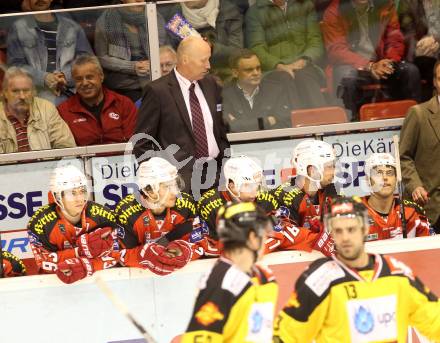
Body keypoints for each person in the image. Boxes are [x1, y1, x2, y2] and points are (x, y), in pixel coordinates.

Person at [274, 196, 440, 342]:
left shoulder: (397, 275)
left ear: (365, 229)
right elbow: (285, 336)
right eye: (338, 230)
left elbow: (434, 321)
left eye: (351, 229)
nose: (345, 237)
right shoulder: (319, 280)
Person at [134, 36, 229, 198]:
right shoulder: (158, 91)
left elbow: (219, 130)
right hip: (177, 182)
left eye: (209, 60)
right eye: (203, 61)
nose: (208, 66)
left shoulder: (211, 84)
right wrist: (159, 178)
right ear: (185, 60)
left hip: (215, 175)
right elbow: (142, 141)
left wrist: (224, 165)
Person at [198, 155, 332, 256]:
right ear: (231, 185)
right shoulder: (209, 205)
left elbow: (286, 231)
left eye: (257, 186)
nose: (255, 192)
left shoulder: (265, 199)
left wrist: (318, 239)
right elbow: (208, 246)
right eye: (248, 186)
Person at [182, 202, 278, 342]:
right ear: (252, 237)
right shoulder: (220, 282)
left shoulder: (264, 277)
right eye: (262, 233)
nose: (265, 239)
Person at [322, 0, 421, 119]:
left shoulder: (385, 5)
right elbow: (337, 50)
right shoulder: (334, 11)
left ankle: (413, 121)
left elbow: (394, 39)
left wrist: (389, 61)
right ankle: (350, 126)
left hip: (382, 63)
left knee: (410, 71)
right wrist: (370, 66)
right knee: (346, 77)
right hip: (353, 66)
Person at [27, 164, 119, 284]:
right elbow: (45, 263)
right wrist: (79, 252)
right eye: (72, 193)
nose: (80, 199)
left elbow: (115, 255)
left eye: (82, 192)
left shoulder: (103, 216)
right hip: (57, 286)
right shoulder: (40, 224)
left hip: (98, 281)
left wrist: (87, 266)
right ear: (58, 196)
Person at [113, 157, 201, 271]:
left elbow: (200, 244)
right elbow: (120, 255)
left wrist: (184, 252)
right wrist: (146, 256)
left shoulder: (186, 205)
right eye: (167, 187)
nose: (175, 191)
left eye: (175, 184)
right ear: (149, 190)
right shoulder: (126, 213)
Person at [245, 0, 328, 109]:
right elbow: (256, 48)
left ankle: (323, 122)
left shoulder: (305, 5)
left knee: (305, 76)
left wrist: (303, 60)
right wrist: (279, 65)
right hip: (273, 70)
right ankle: (295, 122)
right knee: (285, 79)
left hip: (305, 65)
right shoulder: (255, 12)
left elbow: (316, 41)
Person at [7, 0, 93, 104]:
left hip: (71, 90)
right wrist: (44, 78)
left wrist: (65, 76)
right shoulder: (18, 27)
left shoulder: (71, 26)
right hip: (36, 92)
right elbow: (15, 66)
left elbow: (87, 61)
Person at [95, 0, 168, 102]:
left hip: (155, 79)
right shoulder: (106, 20)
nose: (139, 0)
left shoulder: (154, 16)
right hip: (122, 85)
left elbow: (165, 50)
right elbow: (102, 58)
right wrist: (132, 67)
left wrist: (155, 63)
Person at [57, 55, 137, 146]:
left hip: (122, 158)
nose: (85, 83)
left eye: (89, 77)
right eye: (79, 79)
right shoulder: (64, 111)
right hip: (84, 159)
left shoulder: (123, 104)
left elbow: (134, 143)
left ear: (101, 77)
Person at [400, 61, 440, 233]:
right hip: (430, 207)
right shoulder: (419, 114)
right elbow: (403, 157)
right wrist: (415, 185)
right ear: (435, 82)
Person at [0, 67, 76, 153]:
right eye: (15, 91)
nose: (22, 96)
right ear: (5, 93)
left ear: (33, 92)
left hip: (47, 166)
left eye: (26, 90)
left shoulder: (47, 109)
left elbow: (67, 148)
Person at [165, 0, 244, 81]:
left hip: (224, 73)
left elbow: (237, 53)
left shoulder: (229, 10)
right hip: (189, 76)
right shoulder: (175, 14)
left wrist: (212, 47)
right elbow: (172, 54)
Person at [222, 49, 297, 132]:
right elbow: (227, 128)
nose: (256, 73)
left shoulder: (276, 90)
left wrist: (240, 124)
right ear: (235, 73)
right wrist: (267, 121)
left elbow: (286, 125)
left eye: (258, 68)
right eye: (249, 70)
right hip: (239, 144)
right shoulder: (223, 95)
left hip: (272, 143)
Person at [362, 152, 431, 241]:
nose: (384, 177)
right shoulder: (356, 214)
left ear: (396, 179)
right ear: (368, 180)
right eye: (378, 173)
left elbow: (428, 249)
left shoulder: (412, 211)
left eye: (389, 173)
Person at [274, 139, 338, 230]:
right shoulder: (284, 197)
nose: (333, 172)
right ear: (311, 169)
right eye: (329, 167)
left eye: (333, 166)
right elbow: (285, 238)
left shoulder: (330, 189)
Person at [398, 0, 440, 101]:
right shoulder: (408, 2)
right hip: (420, 54)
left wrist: (437, 40)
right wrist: (421, 43)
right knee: (421, 68)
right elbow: (406, 31)